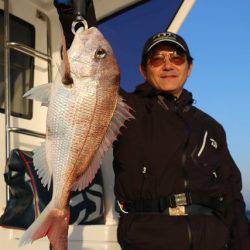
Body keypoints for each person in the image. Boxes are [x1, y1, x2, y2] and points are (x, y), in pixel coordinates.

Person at [54, 2, 250, 249]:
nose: (168, 65)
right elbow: (89, 62)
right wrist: (73, 10)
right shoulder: (125, 108)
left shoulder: (212, 127)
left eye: (177, 58)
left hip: (210, 239)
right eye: (157, 59)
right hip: (148, 238)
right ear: (143, 71)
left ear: (189, 68)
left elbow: (232, 197)